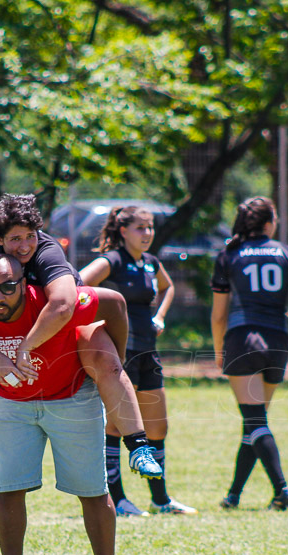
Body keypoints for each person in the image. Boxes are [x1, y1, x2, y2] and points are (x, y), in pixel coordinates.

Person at [0, 194, 162, 512]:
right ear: (0, 240)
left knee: (101, 356)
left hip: (64, 327)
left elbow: (81, 304)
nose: (25, 246)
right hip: (19, 338)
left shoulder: (47, 252)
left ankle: (139, 446)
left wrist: (118, 359)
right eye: (15, 239)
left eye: (30, 236)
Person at [0, 253, 126, 555]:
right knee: (10, 489)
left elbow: (114, 303)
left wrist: (118, 363)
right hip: (15, 403)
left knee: (92, 491)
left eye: (8, 287)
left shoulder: (55, 300)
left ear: (26, 285)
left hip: (72, 397)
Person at [79, 206, 196, 517]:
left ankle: (161, 500)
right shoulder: (112, 261)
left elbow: (168, 287)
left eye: (150, 227)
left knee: (157, 427)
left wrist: (160, 315)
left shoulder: (150, 263)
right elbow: (78, 285)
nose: (147, 233)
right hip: (121, 353)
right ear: (123, 231)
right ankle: (117, 501)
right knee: (116, 426)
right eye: (140, 228)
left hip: (148, 352)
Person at [210, 196, 288, 511]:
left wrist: (219, 350)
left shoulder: (229, 254)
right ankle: (233, 495)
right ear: (269, 222)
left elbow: (219, 315)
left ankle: (282, 489)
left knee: (254, 420)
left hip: (243, 339)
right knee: (255, 422)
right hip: (278, 342)